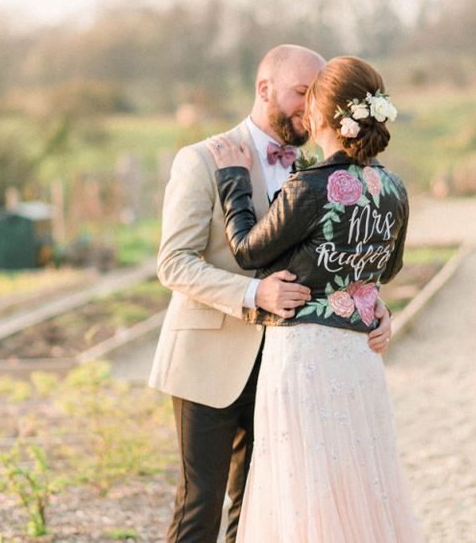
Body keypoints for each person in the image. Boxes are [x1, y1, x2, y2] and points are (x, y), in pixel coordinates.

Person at [149, 45, 395, 543]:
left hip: (289, 366)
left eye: (315, 98)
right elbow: (173, 262)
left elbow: (334, 258)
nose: (308, 110)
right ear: (264, 89)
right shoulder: (200, 159)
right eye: (300, 94)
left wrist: (374, 303)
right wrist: (252, 293)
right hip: (209, 359)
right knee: (199, 507)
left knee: (262, 507)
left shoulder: (320, 168)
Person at [207, 55, 422, 542]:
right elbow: (386, 268)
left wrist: (234, 180)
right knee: (359, 479)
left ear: (321, 117)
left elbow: (246, 250)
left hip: (303, 359)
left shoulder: (309, 187)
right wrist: (372, 302)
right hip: (358, 359)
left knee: (303, 483)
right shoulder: (393, 188)